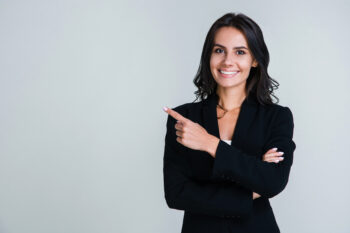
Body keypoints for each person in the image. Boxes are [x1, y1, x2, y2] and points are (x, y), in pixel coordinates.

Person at [162, 12, 296, 233]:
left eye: (240, 52)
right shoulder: (184, 119)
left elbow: (273, 182)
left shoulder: (276, 117)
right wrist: (252, 184)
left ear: (254, 59)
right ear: (209, 56)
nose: (227, 61)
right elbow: (177, 194)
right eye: (219, 50)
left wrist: (209, 144)